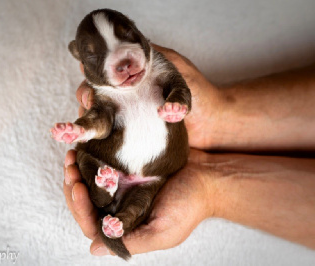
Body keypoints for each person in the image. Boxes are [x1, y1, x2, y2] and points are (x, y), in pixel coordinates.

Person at [62, 44, 315, 256]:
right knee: (97, 162)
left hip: (145, 171)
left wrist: (212, 189)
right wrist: (216, 116)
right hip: (146, 164)